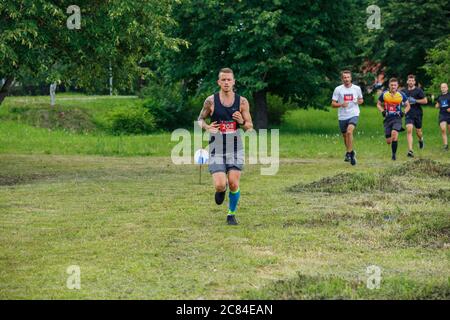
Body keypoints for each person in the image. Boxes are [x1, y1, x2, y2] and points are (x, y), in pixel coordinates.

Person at [197, 68, 254, 225]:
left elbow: (250, 126)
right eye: (223, 80)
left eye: (229, 79)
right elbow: (199, 120)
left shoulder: (242, 102)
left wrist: (241, 121)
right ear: (219, 82)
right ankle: (221, 191)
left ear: (234, 82)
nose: (226, 82)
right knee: (221, 184)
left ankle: (231, 214)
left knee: (234, 183)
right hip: (216, 146)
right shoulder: (211, 101)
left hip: (235, 146)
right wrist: (208, 128)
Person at [331, 70, 364, 165]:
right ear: (342, 79)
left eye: (348, 77)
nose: (346, 79)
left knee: (349, 132)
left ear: (351, 78)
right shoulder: (338, 89)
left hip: (354, 113)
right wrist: (341, 104)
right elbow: (333, 104)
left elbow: (361, 100)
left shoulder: (356, 88)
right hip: (342, 116)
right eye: (344, 77)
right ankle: (351, 152)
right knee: (345, 136)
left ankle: (348, 153)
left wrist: (358, 102)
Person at [377, 78, 411, 161]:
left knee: (394, 134)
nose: (393, 87)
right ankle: (391, 141)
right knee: (389, 141)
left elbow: (408, 105)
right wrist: (382, 111)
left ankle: (394, 155)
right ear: (389, 85)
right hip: (387, 119)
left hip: (397, 118)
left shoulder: (401, 95)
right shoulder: (384, 94)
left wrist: (404, 112)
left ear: (397, 86)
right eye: (391, 85)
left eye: (395, 85)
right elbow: (378, 104)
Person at [402, 75, 428, 157]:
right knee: (409, 129)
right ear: (407, 82)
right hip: (408, 113)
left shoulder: (418, 90)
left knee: (418, 131)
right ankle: (410, 150)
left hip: (417, 113)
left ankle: (421, 140)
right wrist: (402, 103)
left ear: (414, 82)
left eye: (412, 81)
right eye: (409, 80)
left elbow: (425, 101)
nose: (411, 82)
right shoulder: (403, 91)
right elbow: (399, 100)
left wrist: (415, 101)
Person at [435, 83, 450, 151]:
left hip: (449, 115)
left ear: (447, 88)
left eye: (444, 87)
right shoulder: (440, 97)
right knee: (443, 129)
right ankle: (446, 146)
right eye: (442, 87)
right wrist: (437, 106)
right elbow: (438, 104)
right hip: (442, 114)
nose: (443, 88)